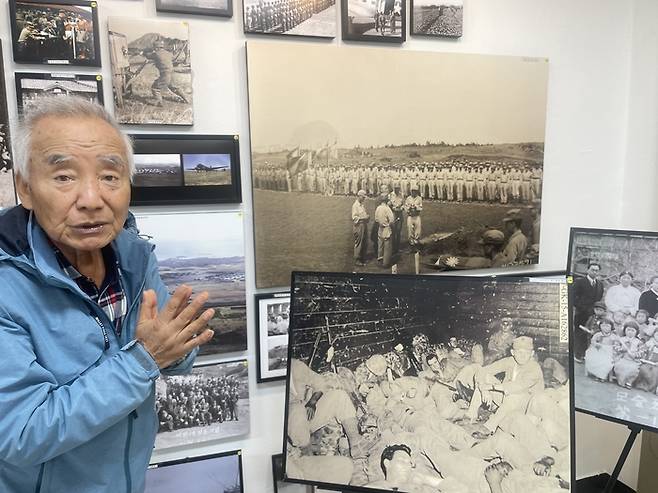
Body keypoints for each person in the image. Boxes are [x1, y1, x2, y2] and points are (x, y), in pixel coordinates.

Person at [0, 97, 215, 492]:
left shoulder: (133, 256)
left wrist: (178, 346)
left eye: (110, 177)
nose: (92, 199)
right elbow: (20, 432)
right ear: (25, 189)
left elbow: (174, 359)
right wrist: (144, 357)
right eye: (64, 177)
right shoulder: (6, 282)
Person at [467, 336, 544, 435]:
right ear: (513, 352)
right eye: (519, 352)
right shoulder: (510, 361)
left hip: (527, 407)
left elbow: (516, 387)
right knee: (485, 379)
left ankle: (490, 427)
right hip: (506, 401)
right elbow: (483, 371)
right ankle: (470, 416)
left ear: (532, 354)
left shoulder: (534, 368)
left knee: (514, 395)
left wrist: (490, 387)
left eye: (527, 352)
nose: (522, 355)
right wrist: (484, 389)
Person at [572, 262, 604, 362]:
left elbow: (599, 299)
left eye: (596, 270)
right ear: (587, 270)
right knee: (580, 333)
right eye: (592, 270)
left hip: (593, 315)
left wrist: (596, 311)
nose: (594, 272)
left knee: (591, 335)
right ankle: (578, 354)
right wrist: (582, 307)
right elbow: (572, 297)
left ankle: (587, 355)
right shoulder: (579, 282)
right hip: (581, 314)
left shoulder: (600, 284)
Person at [143, 39, 189, 107]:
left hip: (165, 74)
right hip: (171, 73)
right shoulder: (169, 53)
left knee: (155, 88)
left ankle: (159, 103)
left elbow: (148, 56)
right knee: (174, 87)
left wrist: (143, 53)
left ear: (156, 47)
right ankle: (186, 99)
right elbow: (173, 58)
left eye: (154, 47)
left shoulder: (156, 54)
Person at [584, 318, 619, 382]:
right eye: (603, 326)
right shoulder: (598, 334)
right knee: (594, 359)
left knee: (606, 362)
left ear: (611, 327)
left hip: (609, 351)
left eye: (607, 326)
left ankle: (602, 376)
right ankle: (597, 374)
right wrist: (596, 344)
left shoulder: (613, 336)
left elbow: (616, 344)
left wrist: (614, 347)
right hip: (599, 350)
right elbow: (593, 341)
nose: (605, 328)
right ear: (600, 326)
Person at [374, 193, 395, 267]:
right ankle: (386, 263)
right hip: (386, 228)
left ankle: (379, 260)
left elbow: (376, 219)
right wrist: (390, 226)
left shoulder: (378, 208)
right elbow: (392, 220)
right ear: (387, 201)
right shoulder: (387, 209)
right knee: (387, 246)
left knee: (380, 245)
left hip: (380, 228)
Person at [352, 189, 369, 266]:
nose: (364, 199)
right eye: (363, 197)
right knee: (359, 242)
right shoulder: (355, 206)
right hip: (359, 226)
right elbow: (354, 218)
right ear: (359, 196)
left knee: (364, 242)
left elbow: (364, 214)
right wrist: (364, 218)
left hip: (364, 225)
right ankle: (357, 259)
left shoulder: (362, 205)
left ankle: (362, 258)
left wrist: (367, 217)